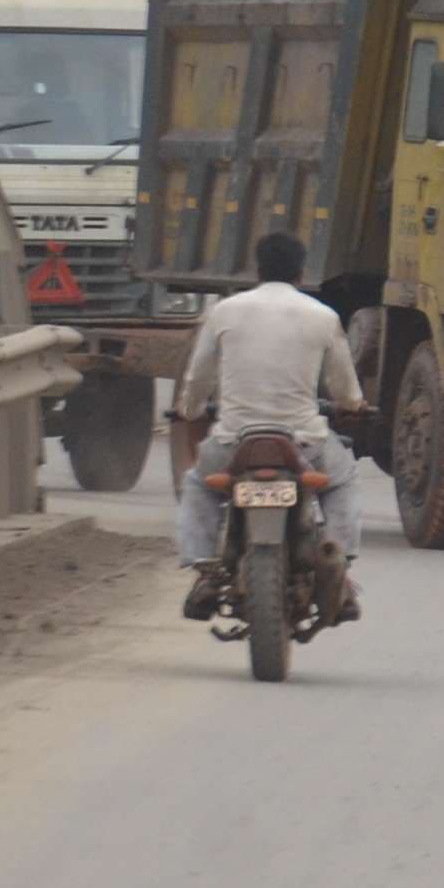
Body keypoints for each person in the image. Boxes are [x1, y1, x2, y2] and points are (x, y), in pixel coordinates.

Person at [169, 229, 368, 623]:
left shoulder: (224, 311)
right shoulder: (323, 316)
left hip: (233, 444)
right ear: (300, 271)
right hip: (305, 445)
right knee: (343, 481)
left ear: (257, 269)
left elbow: (198, 378)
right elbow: (346, 390)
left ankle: (205, 570)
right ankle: (338, 563)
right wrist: (354, 406)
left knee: (197, 484)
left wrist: (189, 410)